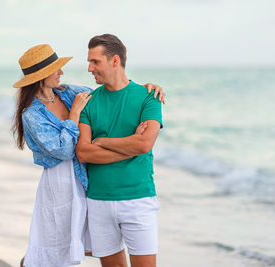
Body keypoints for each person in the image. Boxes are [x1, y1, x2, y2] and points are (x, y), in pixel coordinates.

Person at [12, 44, 165, 267]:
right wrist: (74, 114)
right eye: (56, 69)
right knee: (55, 242)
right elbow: (66, 151)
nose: (61, 72)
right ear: (42, 76)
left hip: (85, 179)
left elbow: (112, 90)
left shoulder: (69, 93)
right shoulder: (32, 115)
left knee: (74, 239)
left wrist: (147, 89)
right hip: (60, 182)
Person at [76, 34, 163, 267]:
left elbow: (144, 144)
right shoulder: (88, 102)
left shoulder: (149, 97)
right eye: (89, 61)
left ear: (115, 61)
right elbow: (83, 152)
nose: (89, 68)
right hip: (98, 201)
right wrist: (131, 142)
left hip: (139, 199)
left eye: (95, 62)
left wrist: (102, 141)